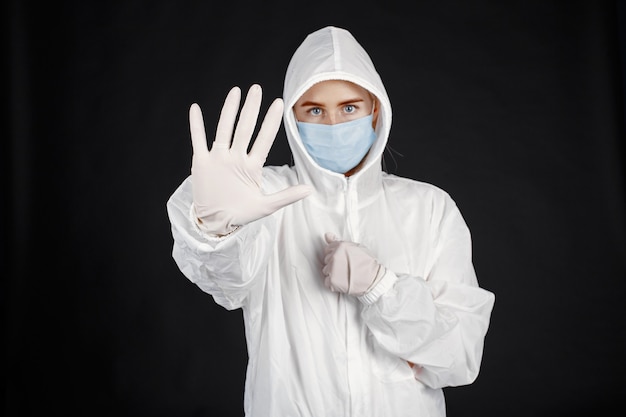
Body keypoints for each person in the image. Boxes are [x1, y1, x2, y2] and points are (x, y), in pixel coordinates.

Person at [166, 25, 495, 417]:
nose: (334, 125)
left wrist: (381, 288)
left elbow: (459, 357)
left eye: (350, 107)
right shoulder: (262, 198)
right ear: (293, 116)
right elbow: (226, 283)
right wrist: (215, 227)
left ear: (375, 110)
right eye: (315, 110)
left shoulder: (429, 208)